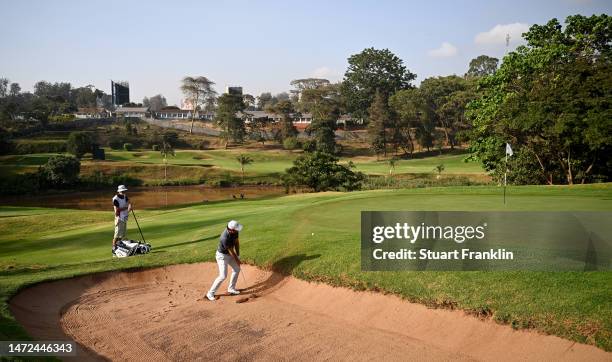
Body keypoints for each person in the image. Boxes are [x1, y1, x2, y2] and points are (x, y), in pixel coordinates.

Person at [206, 220, 243, 301]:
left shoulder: (235, 232)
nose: (237, 230)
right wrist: (237, 259)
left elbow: (237, 243)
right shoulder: (224, 237)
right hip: (222, 256)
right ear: (231, 230)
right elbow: (230, 250)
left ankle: (231, 288)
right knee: (223, 276)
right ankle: (210, 293)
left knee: (237, 269)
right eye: (236, 229)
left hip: (229, 254)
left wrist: (238, 255)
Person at [112, 185, 132, 255]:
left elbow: (129, 202)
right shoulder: (115, 199)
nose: (124, 192)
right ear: (119, 191)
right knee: (117, 234)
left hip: (124, 217)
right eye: (123, 191)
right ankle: (114, 248)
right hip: (118, 218)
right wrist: (126, 208)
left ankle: (118, 247)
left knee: (122, 235)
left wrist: (130, 206)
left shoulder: (125, 196)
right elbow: (117, 210)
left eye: (124, 190)